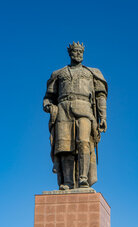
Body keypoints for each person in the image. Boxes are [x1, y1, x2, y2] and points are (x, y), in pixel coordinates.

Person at [43, 42, 108, 190]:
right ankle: (68, 182)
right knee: (65, 147)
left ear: (83, 54)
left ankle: (83, 178)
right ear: (70, 53)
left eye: (80, 52)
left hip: (85, 109)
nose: (77, 54)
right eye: (75, 52)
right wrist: (48, 105)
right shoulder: (59, 74)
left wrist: (103, 117)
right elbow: (48, 97)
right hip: (63, 110)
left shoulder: (92, 73)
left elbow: (100, 96)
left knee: (84, 142)